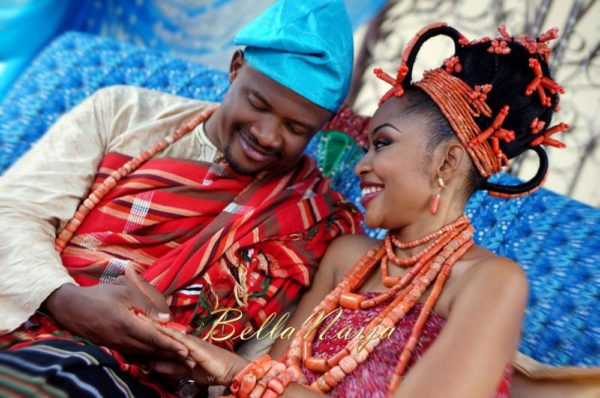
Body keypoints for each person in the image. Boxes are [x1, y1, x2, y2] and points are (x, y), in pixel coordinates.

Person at [146, 23, 570, 398]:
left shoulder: (490, 282)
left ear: (447, 162)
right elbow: (270, 374)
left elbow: (257, 380)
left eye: (382, 143)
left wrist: (234, 370)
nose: (360, 164)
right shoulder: (347, 258)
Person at [0, 0, 361, 396]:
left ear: (321, 128)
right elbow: (14, 212)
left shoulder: (313, 219)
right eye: (258, 104)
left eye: (296, 128)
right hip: (25, 323)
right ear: (236, 68)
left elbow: (265, 351)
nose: (268, 135)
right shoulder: (123, 114)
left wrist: (195, 369)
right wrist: (65, 300)